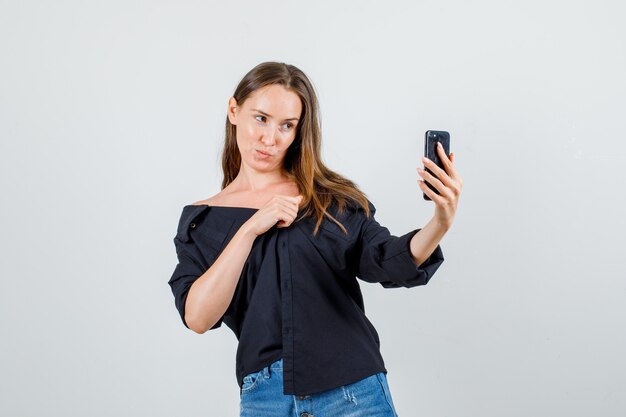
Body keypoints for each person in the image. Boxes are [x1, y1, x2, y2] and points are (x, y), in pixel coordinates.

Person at [168, 61, 463, 417]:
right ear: (234, 110)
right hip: (266, 401)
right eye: (260, 118)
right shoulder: (203, 221)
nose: (269, 139)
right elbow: (198, 317)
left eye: (286, 126)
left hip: (351, 393)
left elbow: (387, 259)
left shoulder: (330, 199)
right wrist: (250, 228)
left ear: (298, 132)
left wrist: (440, 222)